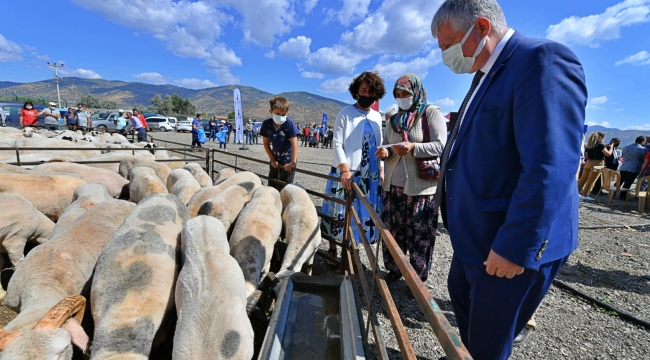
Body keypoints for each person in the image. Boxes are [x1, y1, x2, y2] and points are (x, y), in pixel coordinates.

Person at [431, 1, 587, 358]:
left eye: (449, 43)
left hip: (506, 243)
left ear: (482, 28)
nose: (445, 55)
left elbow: (551, 164)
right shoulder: (487, 75)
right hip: (478, 238)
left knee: (490, 340)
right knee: (468, 314)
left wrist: (516, 245)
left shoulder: (540, 61)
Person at [375, 74, 447, 282]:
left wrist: (413, 147)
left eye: (405, 93)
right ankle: (395, 269)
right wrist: (385, 153)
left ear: (415, 92)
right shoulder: (394, 119)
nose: (401, 98)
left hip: (420, 188)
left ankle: (416, 279)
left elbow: (440, 145)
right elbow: (388, 145)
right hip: (393, 185)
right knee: (394, 231)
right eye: (397, 94)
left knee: (419, 235)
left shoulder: (431, 113)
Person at [320, 71, 385, 262]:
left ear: (376, 94)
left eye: (370, 91)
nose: (366, 94)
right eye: (363, 90)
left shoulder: (376, 116)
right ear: (356, 91)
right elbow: (337, 142)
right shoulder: (345, 113)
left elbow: (378, 145)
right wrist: (345, 169)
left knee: (360, 214)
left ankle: (350, 252)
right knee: (338, 210)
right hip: (348, 171)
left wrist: (380, 168)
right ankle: (333, 248)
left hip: (369, 175)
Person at [260, 96, 299, 191]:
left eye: (283, 114)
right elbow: (266, 143)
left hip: (288, 159)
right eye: (277, 114)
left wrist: (292, 163)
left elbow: (294, 143)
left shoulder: (289, 124)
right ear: (271, 112)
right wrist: (272, 159)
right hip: (275, 158)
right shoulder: (267, 124)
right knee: (272, 183)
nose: (281, 117)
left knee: (285, 186)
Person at [578, 132, 613, 201]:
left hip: (589, 162)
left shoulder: (589, 145)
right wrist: (611, 147)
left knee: (583, 179)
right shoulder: (600, 145)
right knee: (591, 180)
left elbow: (587, 155)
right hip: (598, 163)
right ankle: (585, 194)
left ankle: (577, 192)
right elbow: (608, 154)